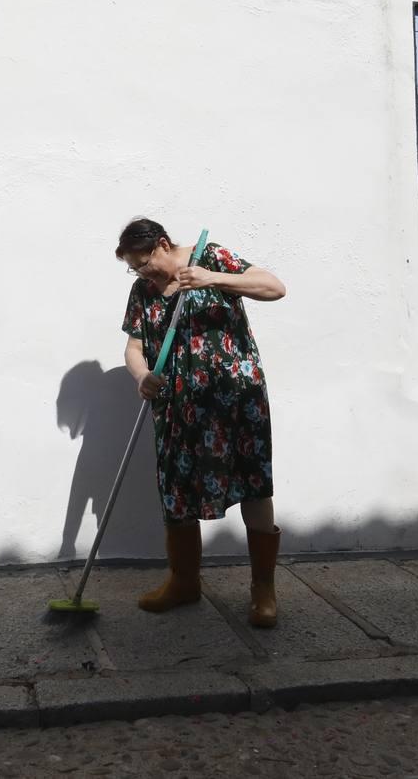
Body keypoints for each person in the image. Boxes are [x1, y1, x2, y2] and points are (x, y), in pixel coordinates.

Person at [116, 217, 287, 627]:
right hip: (177, 403)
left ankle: (263, 590)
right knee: (176, 488)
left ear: (161, 245)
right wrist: (142, 377)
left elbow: (274, 288)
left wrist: (213, 278)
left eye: (143, 264)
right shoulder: (143, 291)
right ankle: (183, 582)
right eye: (134, 269)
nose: (142, 273)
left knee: (252, 484)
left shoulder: (211, 257)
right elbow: (133, 348)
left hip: (234, 399)